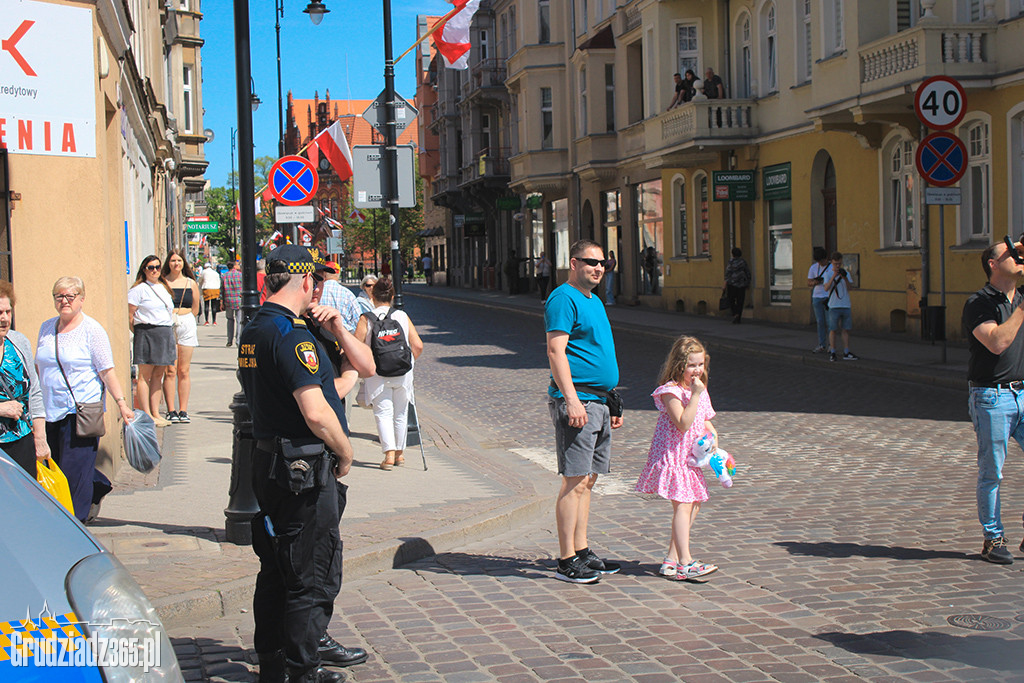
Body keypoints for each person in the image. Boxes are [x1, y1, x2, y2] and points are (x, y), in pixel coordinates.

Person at [238, 245, 367, 683]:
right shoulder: (291, 335)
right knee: (311, 576)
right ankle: (303, 670)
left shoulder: (255, 326)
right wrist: (346, 450)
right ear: (307, 282)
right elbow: (314, 411)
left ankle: (274, 665)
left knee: (276, 569)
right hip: (301, 470)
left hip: (268, 462)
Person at [546, 240, 623, 584]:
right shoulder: (564, 297)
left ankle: (581, 550)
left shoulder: (593, 299)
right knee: (574, 480)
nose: (598, 268)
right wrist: (572, 399)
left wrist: (611, 397)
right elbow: (556, 350)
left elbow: (593, 351)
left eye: (604, 263)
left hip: (598, 400)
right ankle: (565, 560)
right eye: (591, 262)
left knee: (588, 481)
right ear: (573, 263)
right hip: (579, 402)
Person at [36, 277, 134, 522]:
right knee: (57, 466)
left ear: (81, 298)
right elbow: (40, 368)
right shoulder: (47, 328)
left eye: (70, 296)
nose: (64, 301)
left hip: (80, 412)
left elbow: (106, 370)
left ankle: (74, 524)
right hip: (50, 410)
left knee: (72, 474)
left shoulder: (92, 330)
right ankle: (97, 485)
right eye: (59, 296)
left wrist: (121, 404)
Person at [635, 335, 720, 580]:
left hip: (691, 458)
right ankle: (686, 562)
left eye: (701, 365)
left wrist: (714, 440)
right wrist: (694, 395)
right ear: (679, 365)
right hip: (673, 457)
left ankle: (670, 560)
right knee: (683, 506)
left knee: (693, 505)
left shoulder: (700, 390)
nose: (697, 370)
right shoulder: (670, 391)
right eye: (692, 365)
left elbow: (705, 421)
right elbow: (683, 423)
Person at [962, 239, 1024, 565]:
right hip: (992, 396)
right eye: (1011, 253)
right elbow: (998, 343)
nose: (1018, 257)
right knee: (992, 472)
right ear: (993, 264)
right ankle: (993, 538)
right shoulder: (978, 303)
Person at [354, 277, 424, 470]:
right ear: (392, 296)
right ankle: (400, 455)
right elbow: (417, 345)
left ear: (372, 296)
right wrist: (408, 363)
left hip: (378, 374)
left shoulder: (366, 318)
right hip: (402, 374)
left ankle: (389, 455)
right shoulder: (401, 316)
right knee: (401, 413)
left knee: (383, 413)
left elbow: (356, 347)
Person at [0, 281, 49, 478]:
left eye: (7, 312)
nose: (4, 318)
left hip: (21, 441)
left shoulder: (18, 342)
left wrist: (40, 437)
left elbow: (34, 391)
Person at [127, 255, 176, 427]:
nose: (154, 270)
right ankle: (146, 414)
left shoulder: (163, 287)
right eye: (150, 267)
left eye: (157, 267)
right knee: (144, 376)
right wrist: (140, 332)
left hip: (164, 331)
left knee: (158, 374)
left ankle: (155, 412)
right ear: (144, 270)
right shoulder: (138, 289)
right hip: (147, 331)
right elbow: (130, 315)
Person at [161, 249, 201, 423]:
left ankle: (183, 410)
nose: (176, 264)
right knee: (170, 370)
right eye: (172, 261)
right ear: (168, 263)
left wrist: (187, 319)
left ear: (183, 263)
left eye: (179, 261)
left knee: (183, 370)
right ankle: (171, 410)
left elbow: (196, 308)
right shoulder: (162, 282)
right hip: (168, 324)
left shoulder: (191, 283)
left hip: (186, 323)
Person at [823, 252, 858, 362]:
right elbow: (826, 288)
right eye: (835, 264)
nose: (837, 266)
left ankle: (846, 352)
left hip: (846, 305)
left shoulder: (846, 273)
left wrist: (845, 277)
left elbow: (850, 288)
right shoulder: (828, 274)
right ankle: (833, 352)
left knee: (846, 329)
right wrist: (834, 276)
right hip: (834, 306)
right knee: (833, 329)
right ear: (832, 263)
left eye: (839, 264)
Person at [317, 261, 361, 333]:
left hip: (321, 334)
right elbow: (358, 320)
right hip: (345, 335)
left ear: (324, 274)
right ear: (338, 275)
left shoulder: (316, 292)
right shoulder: (347, 294)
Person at [807, 247, 831, 353]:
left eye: (822, 260)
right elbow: (809, 283)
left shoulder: (831, 267)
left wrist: (825, 281)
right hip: (817, 296)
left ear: (826, 258)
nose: (820, 263)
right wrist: (816, 282)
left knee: (830, 322)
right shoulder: (813, 268)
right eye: (818, 261)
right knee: (820, 322)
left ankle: (831, 345)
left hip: (828, 296)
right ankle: (822, 344)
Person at [723, 247, 752, 324]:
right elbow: (748, 272)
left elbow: (727, 274)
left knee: (731, 300)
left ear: (733, 254)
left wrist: (724, 285)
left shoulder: (731, 262)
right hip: (741, 284)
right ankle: (738, 316)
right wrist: (748, 282)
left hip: (732, 284)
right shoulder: (743, 262)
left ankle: (735, 313)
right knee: (740, 301)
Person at [222, 260, 243, 347]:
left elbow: (222, 290)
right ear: (234, 266)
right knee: (239, 321)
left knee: (230, 320)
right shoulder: (240, 275)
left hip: (228, 300)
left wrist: (222, 302)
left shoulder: (224, 276)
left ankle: (229, 340)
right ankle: (238, 340)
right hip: (238, 300)